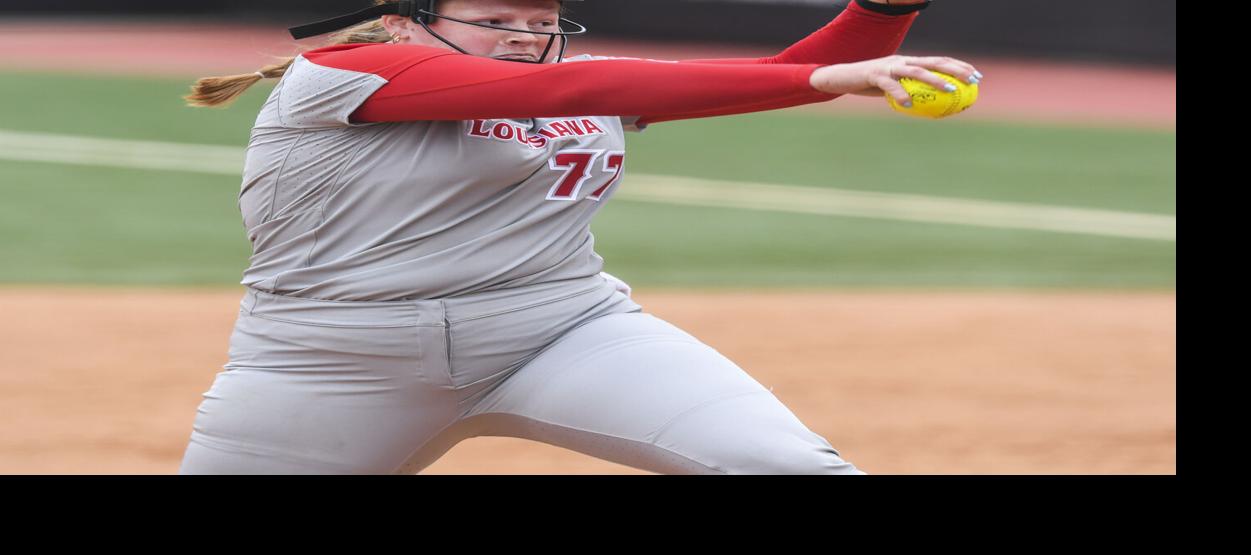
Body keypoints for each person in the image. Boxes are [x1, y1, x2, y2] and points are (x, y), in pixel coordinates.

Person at [178, 0, 980, 475]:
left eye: (542, 20)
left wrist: (883, 11)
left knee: (784, 465)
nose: (524, 34)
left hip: (561, 333)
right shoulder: (342, 72)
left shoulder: (576, 79)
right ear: (400, 24)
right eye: (493, 20)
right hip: (331, 359)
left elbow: (788, 70)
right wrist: (818, 80)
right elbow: (571, 85)